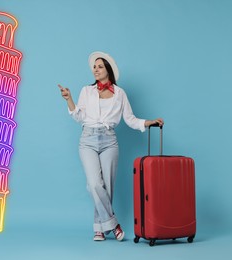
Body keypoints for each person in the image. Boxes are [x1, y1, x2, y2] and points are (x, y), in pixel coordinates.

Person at [58, 51, 164, 242]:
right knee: (94, 184)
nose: (95, 70)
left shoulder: (120, 94)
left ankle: (99, 228)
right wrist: (69, 100)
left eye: (99, 66)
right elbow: (79, 117)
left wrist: (148, 122)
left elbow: (130, 120)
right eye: (94, 67)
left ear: (108, 69)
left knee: (107, 186)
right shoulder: (86, 91)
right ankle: (113, 224)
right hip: (87, 139)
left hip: (110, 141)